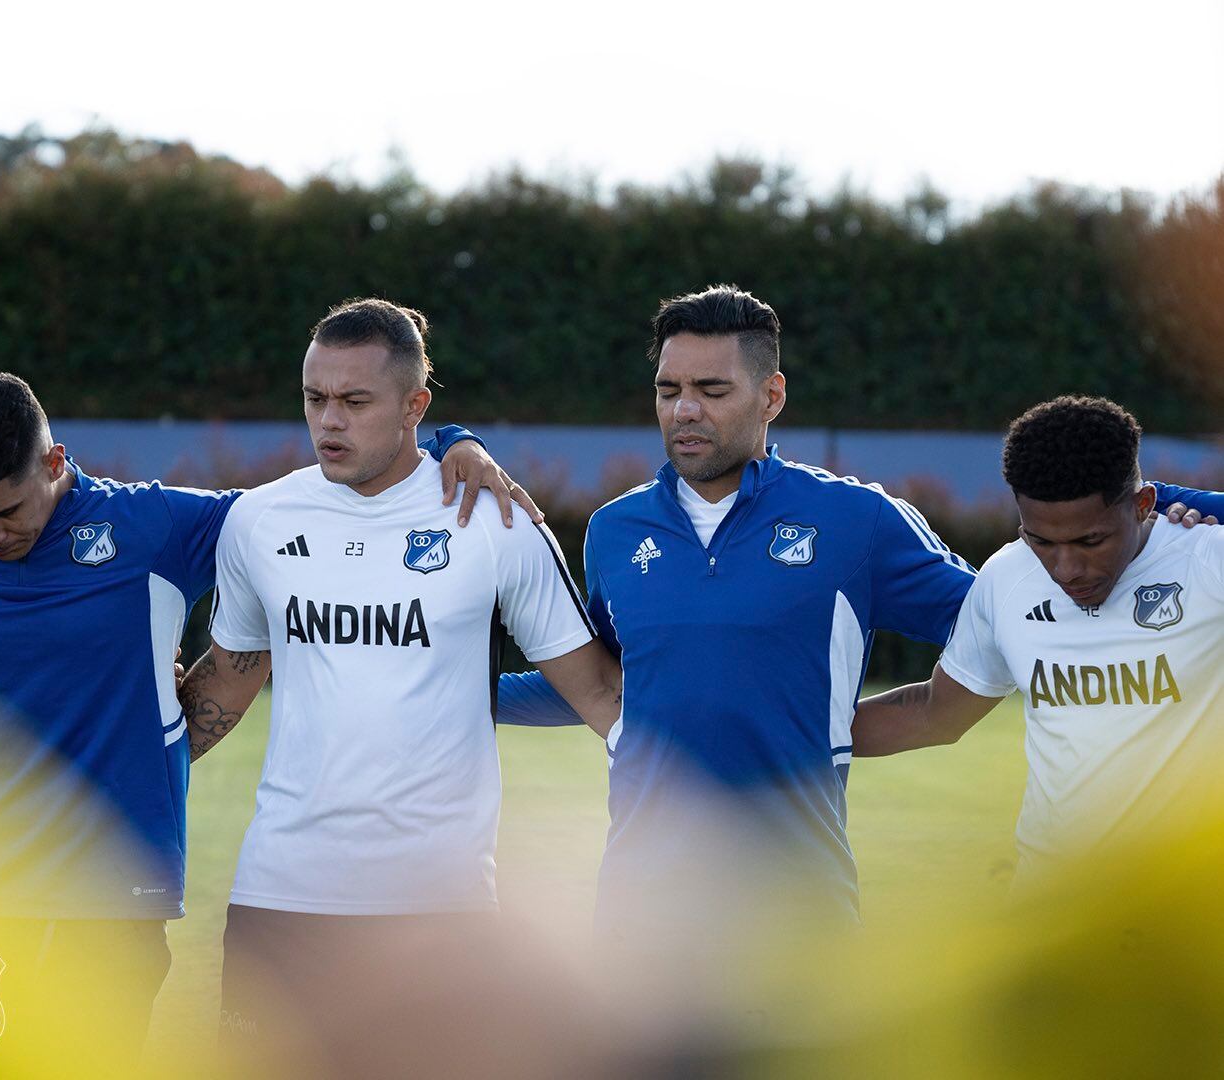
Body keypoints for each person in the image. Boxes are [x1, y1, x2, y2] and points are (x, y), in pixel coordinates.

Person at [492, 285, 1221, 959]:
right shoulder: (614, 532)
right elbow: (600, 684)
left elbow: (1005, 619)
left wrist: (1164, 507)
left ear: (772, 396)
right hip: (637, 913)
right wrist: (467, 690)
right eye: (668, 390)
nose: (685, 410)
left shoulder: (856, 521)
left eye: (712, 390)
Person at [0, 370, 528, 1062]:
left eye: (7, 512)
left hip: (111, 894)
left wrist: (453, 443)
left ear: (55, 462)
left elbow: (327, 504)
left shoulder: (153, 527)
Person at [175, 299, 623, 1069]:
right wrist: (117, 757)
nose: (329, 421)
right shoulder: (259, 520)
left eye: (355, 401)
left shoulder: (496, 523)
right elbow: (230, 679)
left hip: (439, 913)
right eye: (315, 398)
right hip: (279, 901)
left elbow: (601, 695)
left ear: (416, 406)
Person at [851, 396, 1224, 889]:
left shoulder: (1208, 561)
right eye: (1042, 541)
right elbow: (933, 713)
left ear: (1143, 504)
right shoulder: (1006, 577)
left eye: (1091, 541)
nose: (1066, 569)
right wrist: (786, 735)